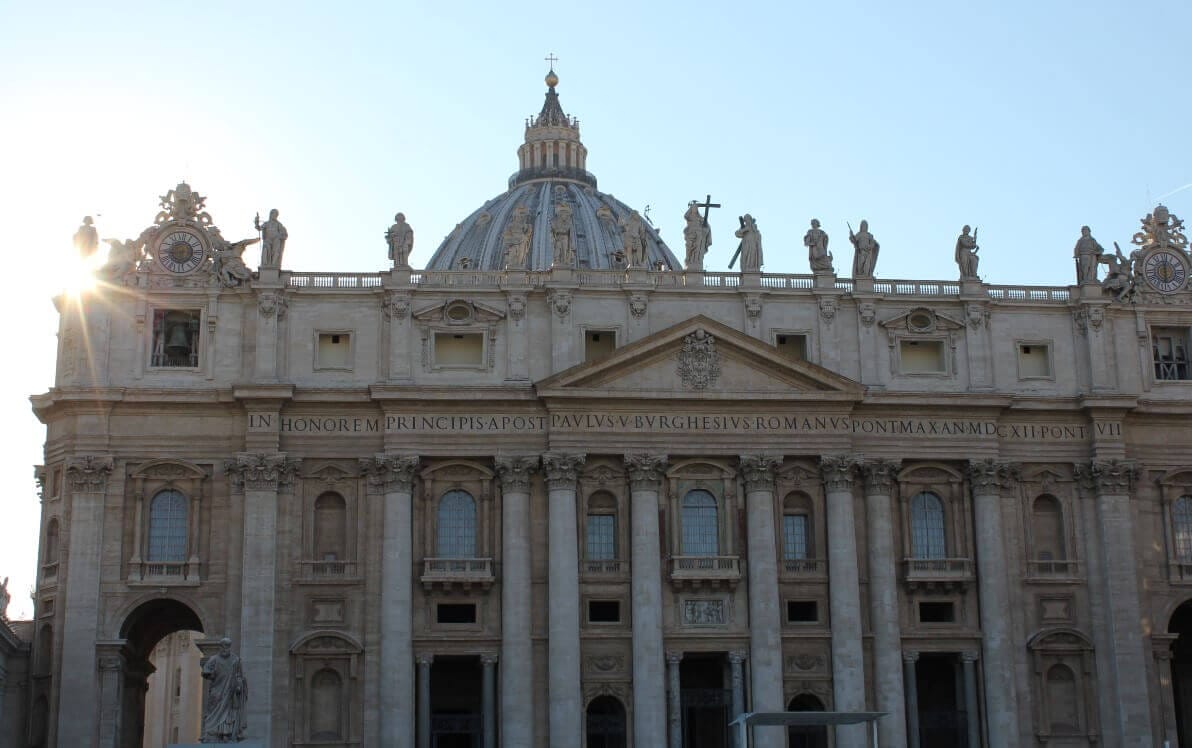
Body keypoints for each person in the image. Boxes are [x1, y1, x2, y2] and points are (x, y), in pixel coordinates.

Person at [201, 637, 248, 742]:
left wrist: (239, 685)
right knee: (213, 712)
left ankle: (227, 733)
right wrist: (211, 674)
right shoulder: (214, 659)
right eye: (223, 646)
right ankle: (211, 734)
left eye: (227, 646)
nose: (225, 649)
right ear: (220, 647)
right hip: (217, 690)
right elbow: (205, 671)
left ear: (229, 647)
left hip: (230, 691)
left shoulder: (236, 659)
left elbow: (240, 675)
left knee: (229, 713)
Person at [683, 202, 712, 270]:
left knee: (698, 248)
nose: (694, 209)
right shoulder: (689, 217)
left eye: (695, 208)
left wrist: (705, 230)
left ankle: (696, 261)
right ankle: (689, 261)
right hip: (690, 234)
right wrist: (691, 207)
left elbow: (707, 227)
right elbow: (685, 216)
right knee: (689, 246)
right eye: (693, 208)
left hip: (699, 235)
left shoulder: (701, 218)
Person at [551, 201, 574, 267]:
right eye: (562, 214)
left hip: (564, 238)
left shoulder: (568, 222)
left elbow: (569, 231)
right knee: (558, 250)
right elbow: (552, 231)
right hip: (558, 238)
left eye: (565, 214)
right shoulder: (555, 222)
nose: (563, 215)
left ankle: (564, 261)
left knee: (564, 250)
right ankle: (558, 261)